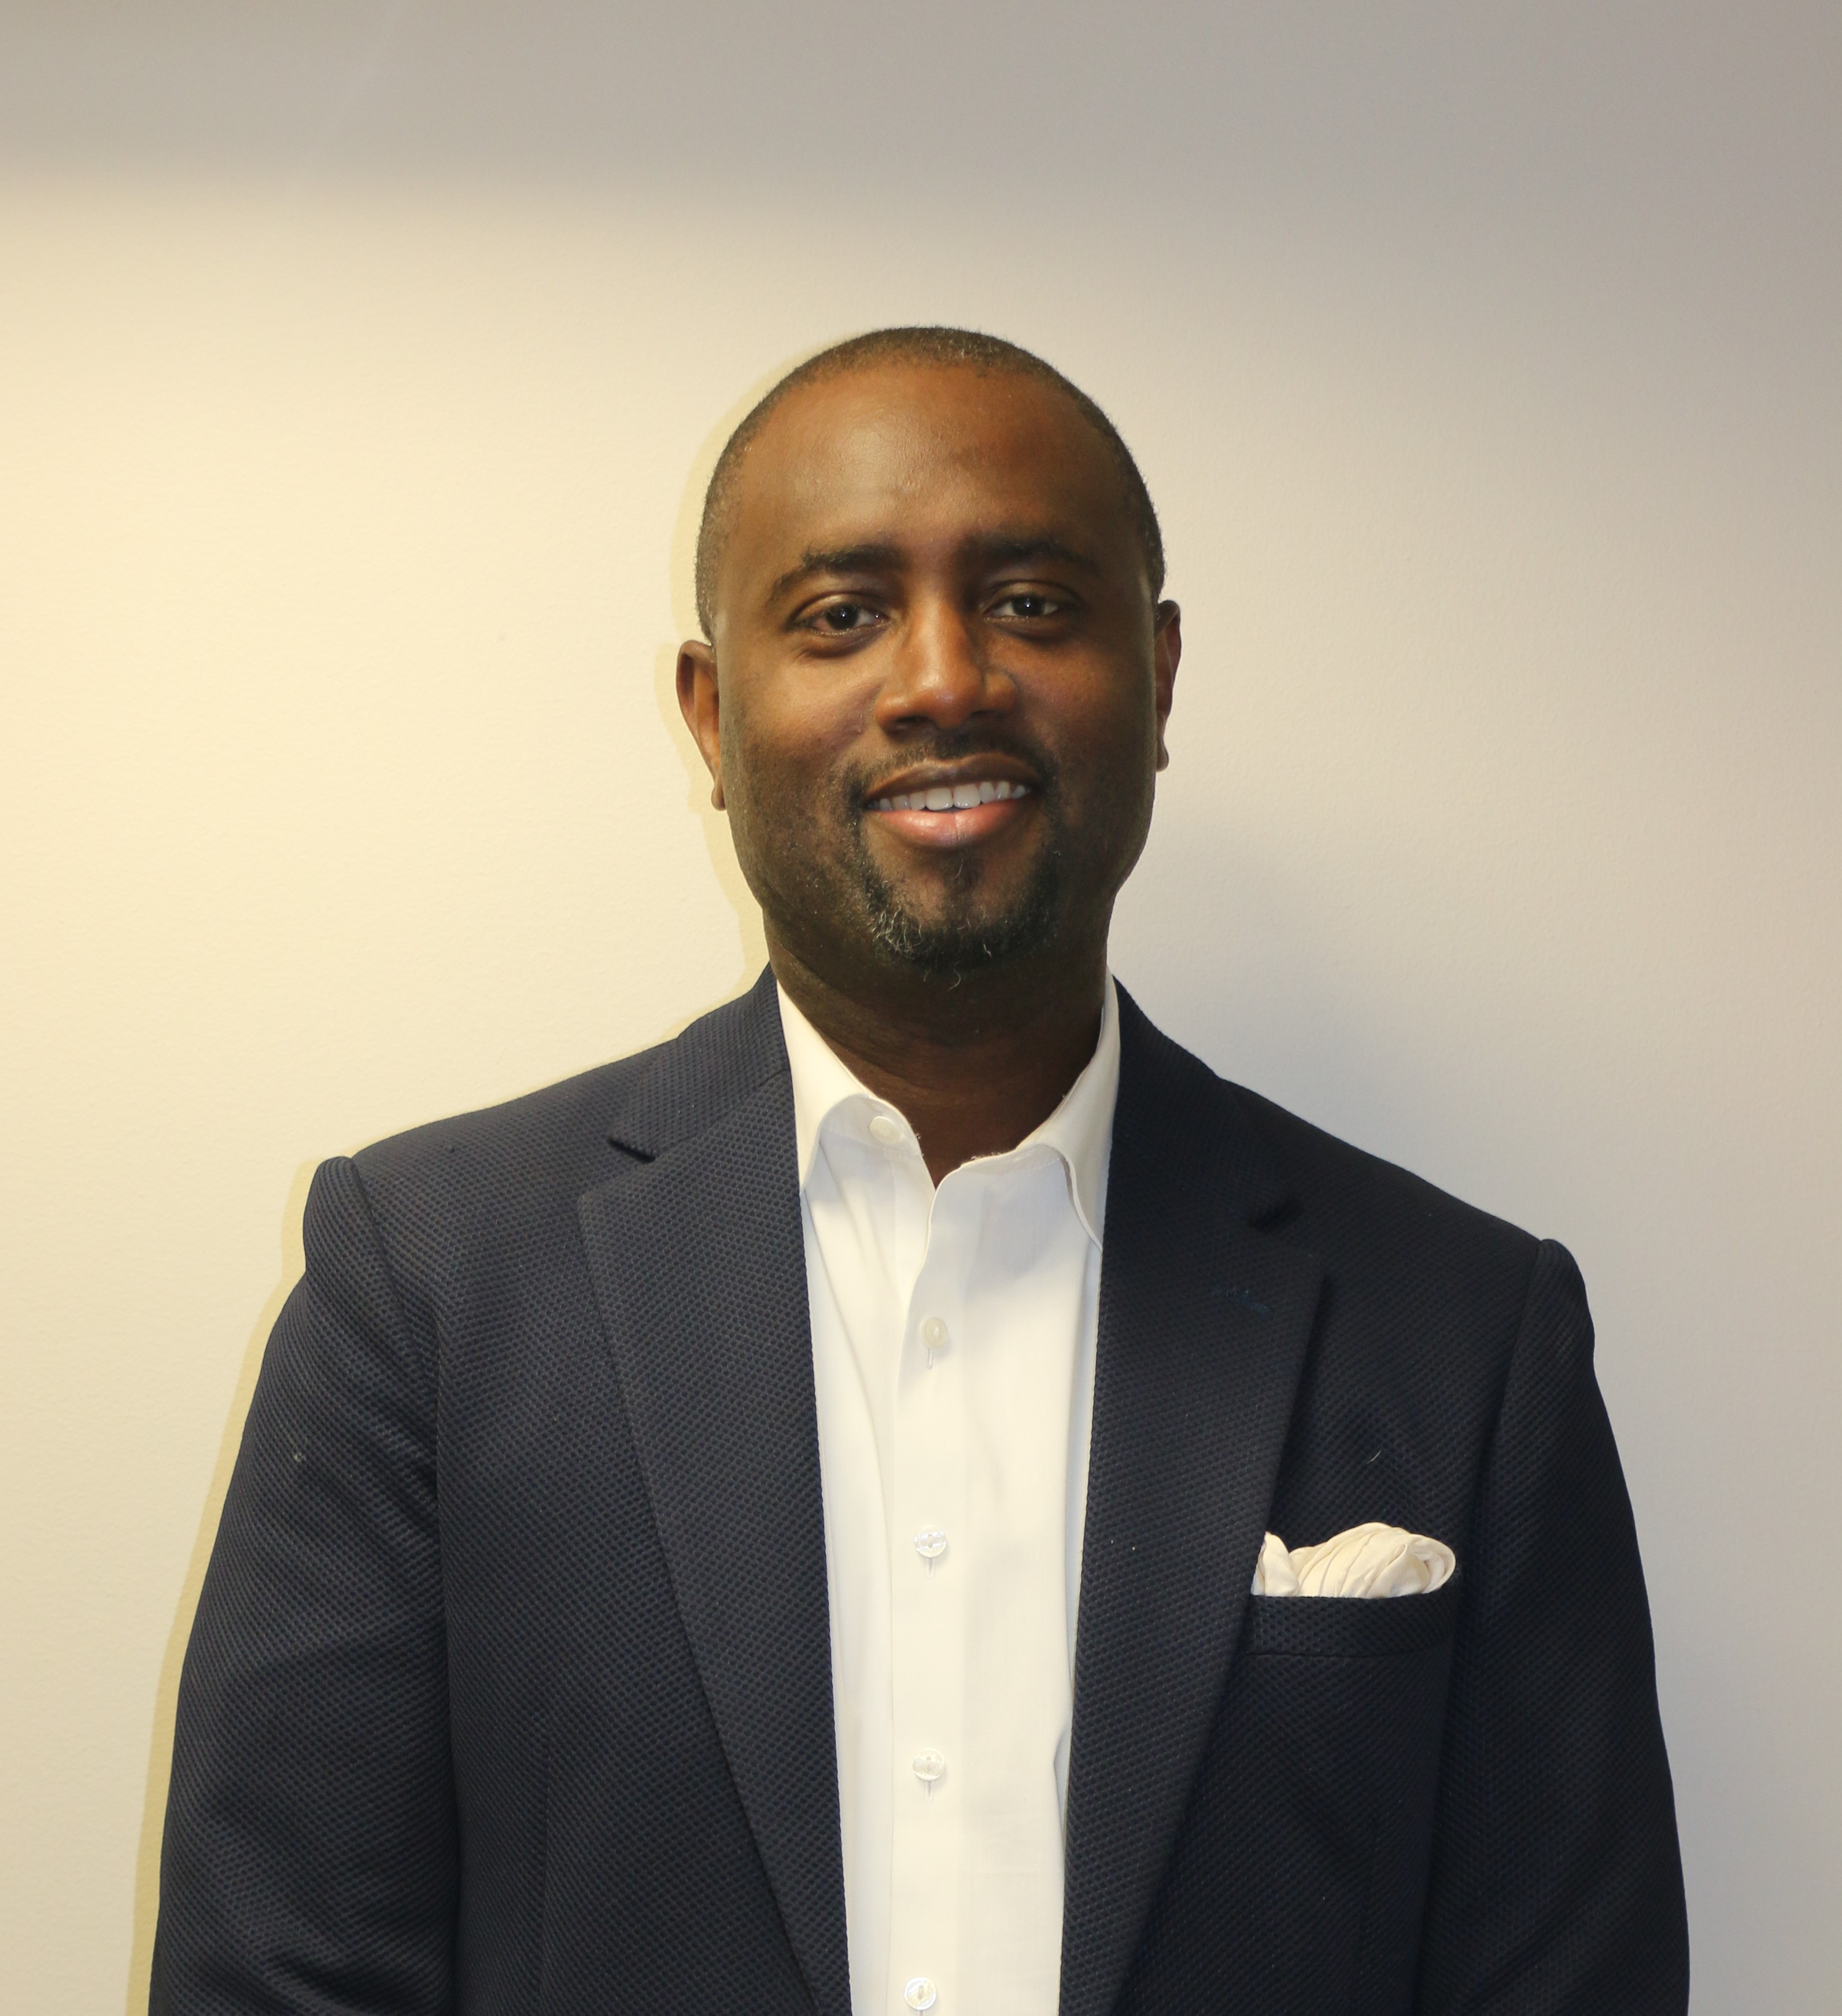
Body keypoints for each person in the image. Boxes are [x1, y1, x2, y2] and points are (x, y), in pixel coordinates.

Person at [151, 327, 1688, 2015]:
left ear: (1159, 675)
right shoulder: (431, 1292)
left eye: (1030, 602)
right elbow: (277, 1977)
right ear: (710, 716)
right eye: (840, 616)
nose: (943, 678)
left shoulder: (1466, 1333)